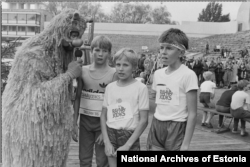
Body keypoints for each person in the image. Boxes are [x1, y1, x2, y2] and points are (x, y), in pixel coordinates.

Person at [147, 28, 198, 151]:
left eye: (169, 48)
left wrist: (185, 144)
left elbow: (192, 113)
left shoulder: (188, 75)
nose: (163, 52)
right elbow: (156, 104)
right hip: (157, 124)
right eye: (162, 48)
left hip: (177, 126)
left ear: (181, 53)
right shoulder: (158, 74)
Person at [73, 35, 118, 167]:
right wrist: (74, 122)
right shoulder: (83, 71)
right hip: (85, 122)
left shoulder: (113, 73)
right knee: (84, 159)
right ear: (91, 51)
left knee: (102, 161)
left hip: (103, 124)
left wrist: (108, 131)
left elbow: (115, 104)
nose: (100, 54)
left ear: (109, 53)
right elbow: (77, 97)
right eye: (97, 50)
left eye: (104, 51)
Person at [101, 48, 149, 166]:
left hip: (130, 135)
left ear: (134, 67)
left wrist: (128, 145)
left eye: (125, 65)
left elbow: (144, 120)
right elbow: (103, 116)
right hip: (111, 133)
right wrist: (107, 141)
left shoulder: (140, 88)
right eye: (118, 64)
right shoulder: (110, 87)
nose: (121, 68)